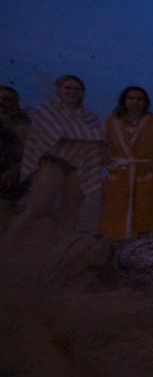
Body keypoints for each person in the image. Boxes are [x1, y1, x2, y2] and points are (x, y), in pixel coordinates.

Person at [2, 75, 106, 248]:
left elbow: (95, 144)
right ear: (58, 90)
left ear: (82, 93)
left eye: (76, 89)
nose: (72, 92)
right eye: (67, 88)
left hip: (78, 167)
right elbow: (38, 139)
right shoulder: (45, 112)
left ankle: (59, 254)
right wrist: (74, 136)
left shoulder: (90, 117)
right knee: (36, 210)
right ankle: (5, 247)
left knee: (70, 213)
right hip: (53, 163)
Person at [98, 86, 153, 240]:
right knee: (115, 209)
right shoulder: (111, 121)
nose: (135, 102)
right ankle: (115, 246)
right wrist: (107, 162)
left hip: (143, 174)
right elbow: (99, 143)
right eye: (130, 98)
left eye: (139, 99)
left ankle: (142, 247)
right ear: (124, 100)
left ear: (146, 102)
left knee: (144, 210)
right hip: (118, 173)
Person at [0, 85, 32, 228]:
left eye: (6, 99)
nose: (2, 102)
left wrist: (15, 171)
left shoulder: (21, 124)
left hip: (8, 178)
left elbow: (31, 153)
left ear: (14, 103)